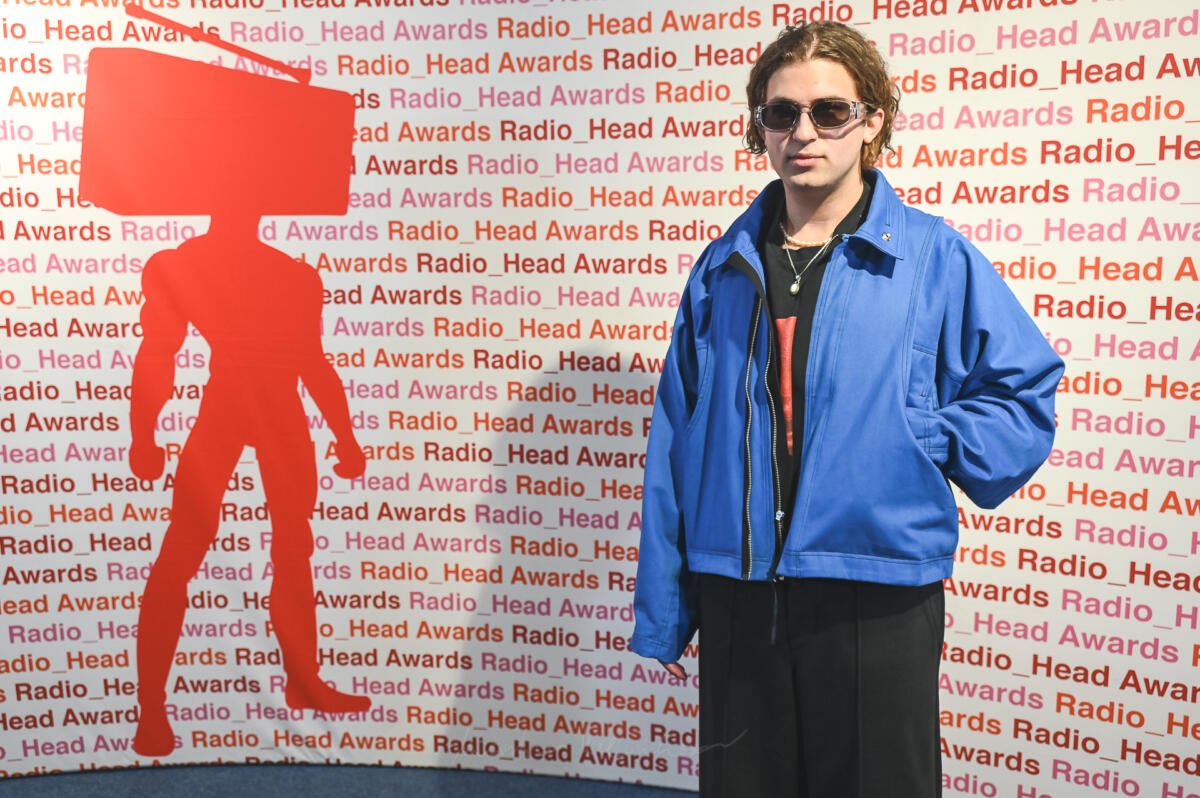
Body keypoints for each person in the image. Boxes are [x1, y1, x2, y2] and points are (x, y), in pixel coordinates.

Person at [630, 22, 1064, 797]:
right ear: (760, 127)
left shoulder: (932, 256)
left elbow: (1021, 396)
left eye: (830, 111)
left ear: (872, 122)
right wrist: (667, 608)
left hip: (875, 592)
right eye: (781, 113)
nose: (803, 132)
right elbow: (677, 439)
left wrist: (920, 438)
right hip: (739, 592)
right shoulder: (722, 268)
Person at [128, 205, 371, 757]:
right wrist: (142, 434)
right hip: (243, 406)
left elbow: (310, 358)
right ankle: (151, 706)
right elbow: (160, 354)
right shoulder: (204, 267)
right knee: (193, 550)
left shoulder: (276, 273)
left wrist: (346, 435)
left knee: (288, 547)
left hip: (263, 409)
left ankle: (299, 683)